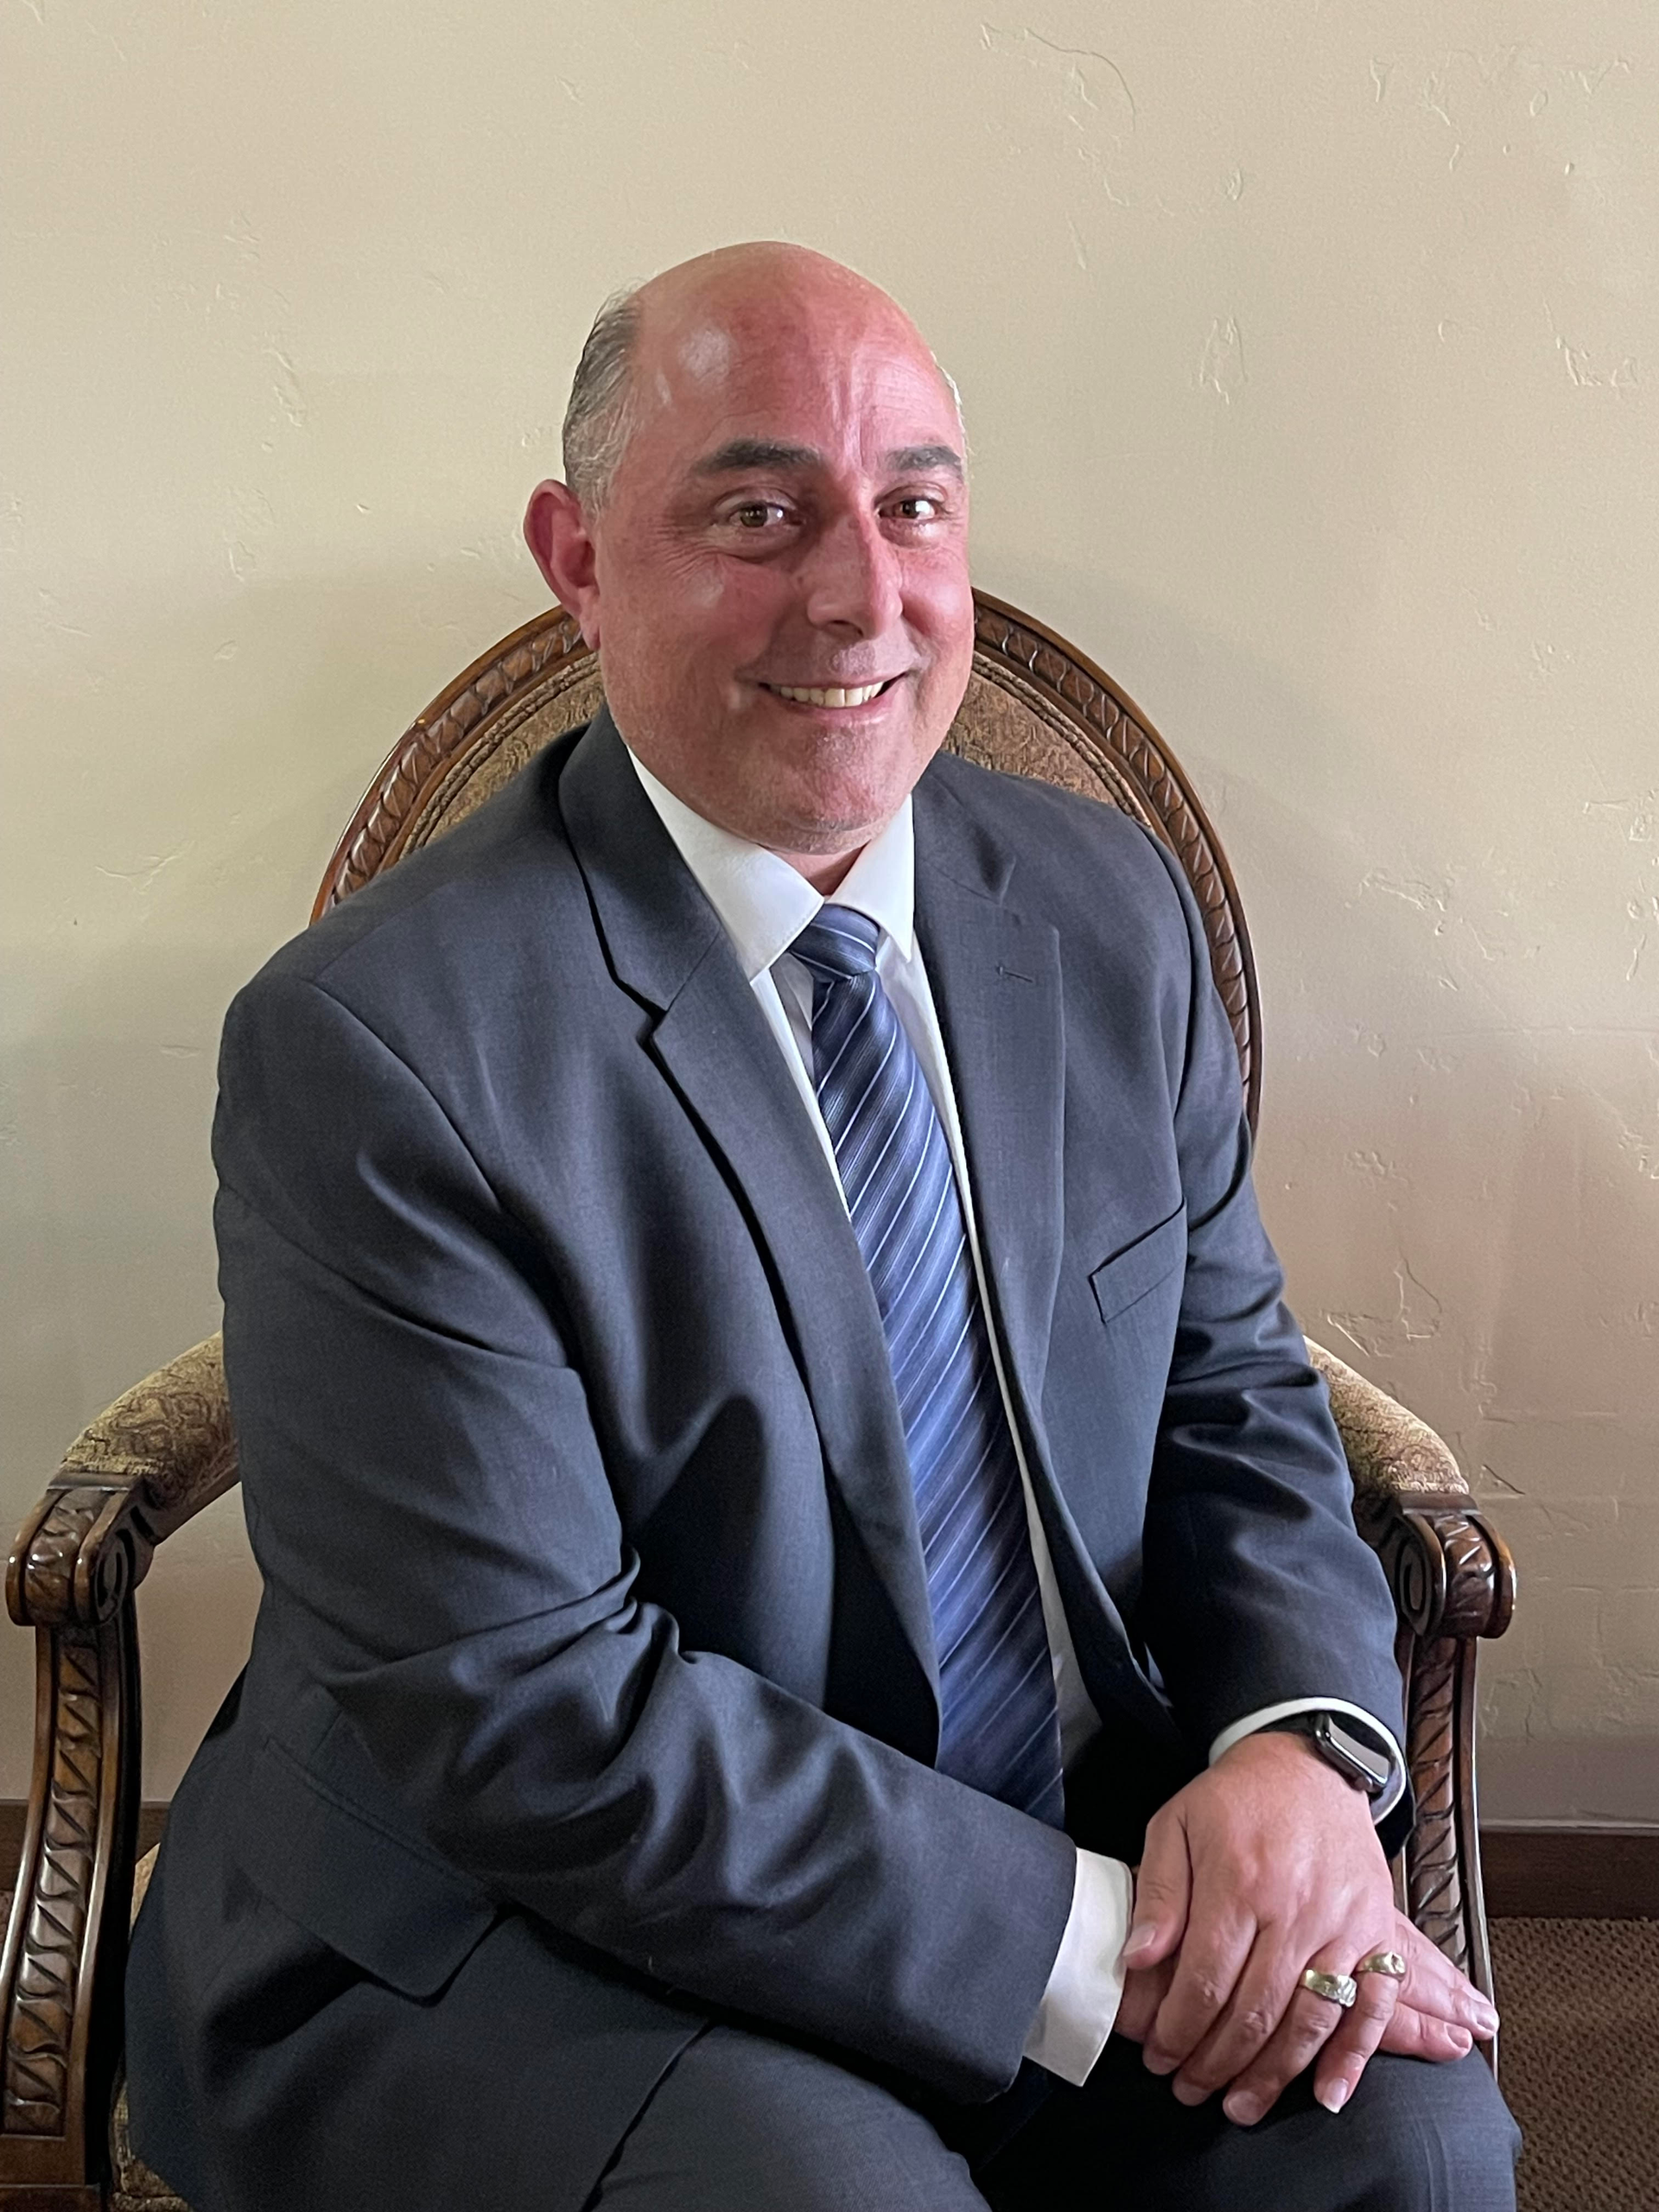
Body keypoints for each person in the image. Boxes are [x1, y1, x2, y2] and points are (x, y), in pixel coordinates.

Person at [126, 243, 1518, 2210]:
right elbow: (538, 1719)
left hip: (1059, 1822)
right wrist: (1101, 1940)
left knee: (1415, 2148)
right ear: (581, 556)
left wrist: (1296, 1754)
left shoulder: (1102, 910)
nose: (865, 593)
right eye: (760, 511)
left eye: (915, 504)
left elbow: (1232, 1389)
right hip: (529, 1921)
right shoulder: (377, 1046)